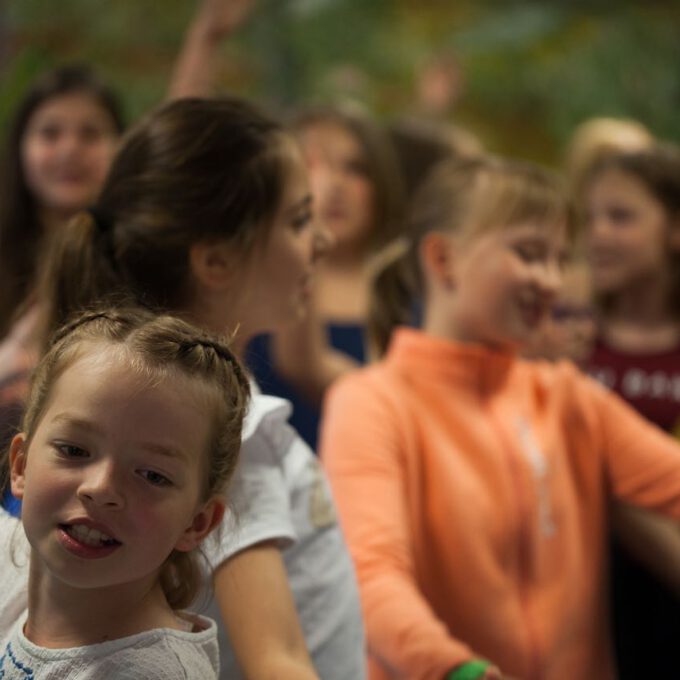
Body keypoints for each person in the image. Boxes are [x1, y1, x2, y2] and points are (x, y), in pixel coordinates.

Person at [26, 96, 363, 680]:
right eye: (299, 220)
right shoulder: (223, 430)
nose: (323, 241)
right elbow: (276, 661)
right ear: (215, 261)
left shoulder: (177, 409)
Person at [319, 155, 680, 680]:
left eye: (560, 258)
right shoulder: (372, 402)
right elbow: (370, 577)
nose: (552, 280)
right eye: (530, 254)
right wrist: (453, 670)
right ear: (443, 259)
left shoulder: (568, 397)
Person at [0, 307, 250, 679]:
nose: (101, 489)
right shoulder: (12, 576)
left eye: (151, 475)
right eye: (74, 451)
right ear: (20, 466)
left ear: (197, 523)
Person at [248, 103, 405, 449]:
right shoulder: (247, 287)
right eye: (311, 167)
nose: (333, 185)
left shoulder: (405, 292)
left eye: (355, 169)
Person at [582, 143, 680, 678]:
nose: (598, 234)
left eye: (620, 217)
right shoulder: (566, 341)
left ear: (675, 230)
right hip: (577, 595)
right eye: (591, 218)